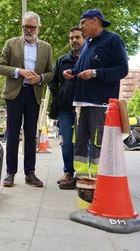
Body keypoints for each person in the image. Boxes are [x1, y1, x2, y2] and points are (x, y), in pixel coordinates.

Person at [62, 9, 128, 189]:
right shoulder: (88, 43)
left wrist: (95, 73)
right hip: (81, 103)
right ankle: (82, 179)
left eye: (83, 23)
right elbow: (81, 66)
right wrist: (72, 72)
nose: (81, 27)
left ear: (95, 21)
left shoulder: (113, 40)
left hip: (101, 104)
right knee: (80, 143)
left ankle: (101, 181)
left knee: (99, 144)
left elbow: (122, 70)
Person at [0, 11, 54, 187]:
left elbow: (51, 72)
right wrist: (18, 71)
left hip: (33, 94)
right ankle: (10, 173)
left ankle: (30, 173)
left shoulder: (46, 48)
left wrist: (41, 78)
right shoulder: (11, 43)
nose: (28, 30)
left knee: (31, 135)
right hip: (15, 93)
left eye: (32, 27)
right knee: (12, 134)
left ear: (38, 28)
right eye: (25, 26)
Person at [48, 26, 84, 189]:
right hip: (65, 108)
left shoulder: (88, 58)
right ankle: (68, 172)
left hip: (86, 106)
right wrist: (58, 94)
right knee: (67, 142)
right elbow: (52, 80)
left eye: (77, 37)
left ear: (84, 38)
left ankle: (84, 174)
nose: (74, 40)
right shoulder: (62, 60)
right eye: (71, 38)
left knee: (85, 142)